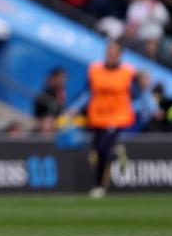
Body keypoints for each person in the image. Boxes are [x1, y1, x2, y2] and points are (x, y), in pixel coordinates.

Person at [72, 40, 137, 198]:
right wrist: (74, 108)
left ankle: (99, 186)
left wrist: (152, 109)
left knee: (102, 148)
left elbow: (139, 94)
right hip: (97, 116)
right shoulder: (95, 69)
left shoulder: (128, 72)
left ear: (120, 54)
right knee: (95, 152)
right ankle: (116, 153)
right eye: (109, 51)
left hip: (117, 116)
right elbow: (87, 92)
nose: (110, 54)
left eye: (114, 52)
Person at [34, 67, 67, 134]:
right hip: (45, 129)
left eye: (64, 79)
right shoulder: (46, 95)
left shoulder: (60, 93)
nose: (63, 82)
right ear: (54, 78)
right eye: (61, 79)